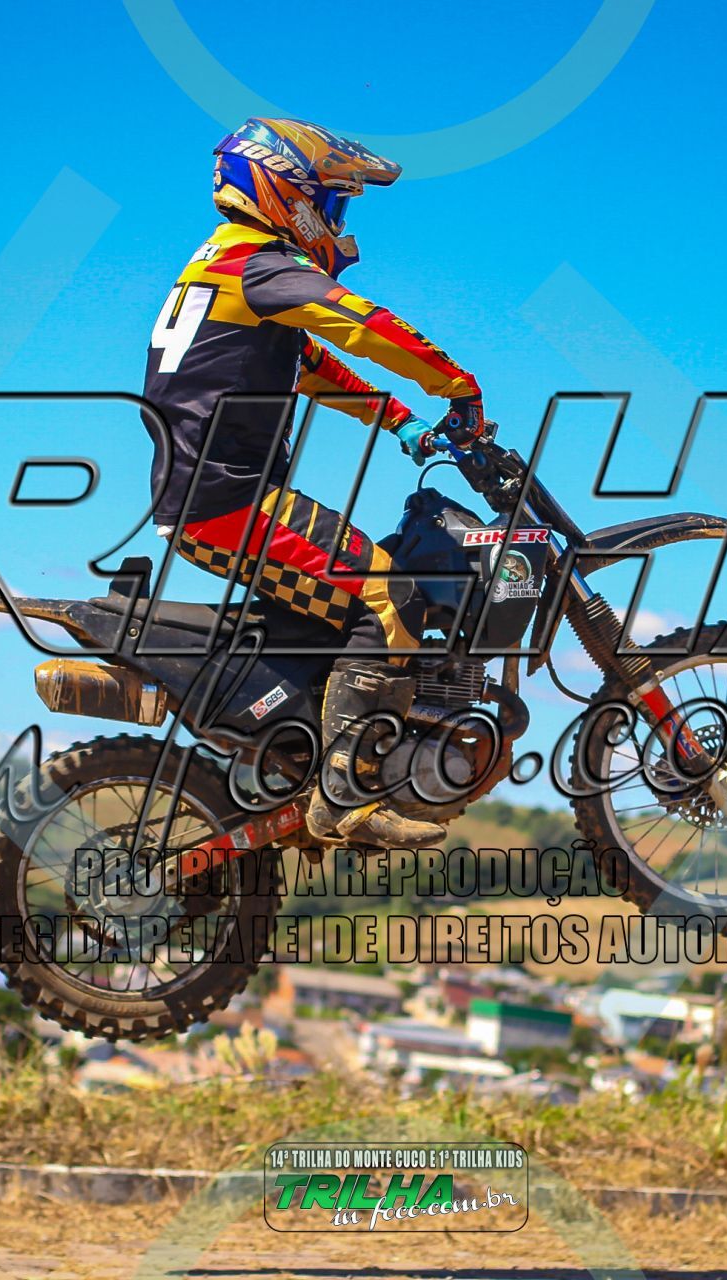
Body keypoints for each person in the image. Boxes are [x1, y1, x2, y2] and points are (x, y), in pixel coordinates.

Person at [141, 117, 488, 848]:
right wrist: (456, 385)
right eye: (331, 202)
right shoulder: (256, 264)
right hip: (228, 502)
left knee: (353, 597)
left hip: (210, 498)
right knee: (389, 595)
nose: (335, 220)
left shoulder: (226, 267)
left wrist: (400, 421)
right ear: (285, 193)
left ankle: (311, 752)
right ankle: (344, 799)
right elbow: (359, 323)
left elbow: (308, 363)